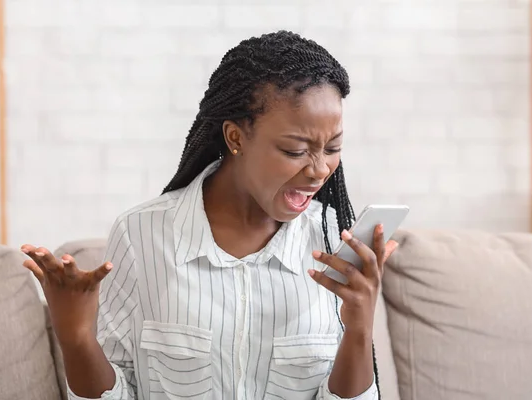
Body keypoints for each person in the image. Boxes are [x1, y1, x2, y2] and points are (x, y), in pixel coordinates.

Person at [21, 30, 398, 400]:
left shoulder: (333, 240)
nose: (319, 170)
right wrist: (76, 338)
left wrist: (359, 329)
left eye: (332, 147)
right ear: (236, 138)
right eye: (295, 150)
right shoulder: (141, 235)